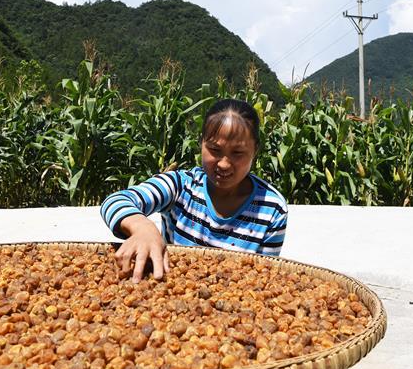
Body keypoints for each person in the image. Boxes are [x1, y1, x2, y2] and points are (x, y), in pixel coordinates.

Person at [100, 98, 288, 283]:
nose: (223, 164)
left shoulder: (271, 209)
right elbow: (116, 201)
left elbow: (264, 276)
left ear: (256, 150)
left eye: (237, 153)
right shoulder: (181, 185)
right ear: (201, 144)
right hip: (172, 290)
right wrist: (143, 228)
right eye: (214, 149)